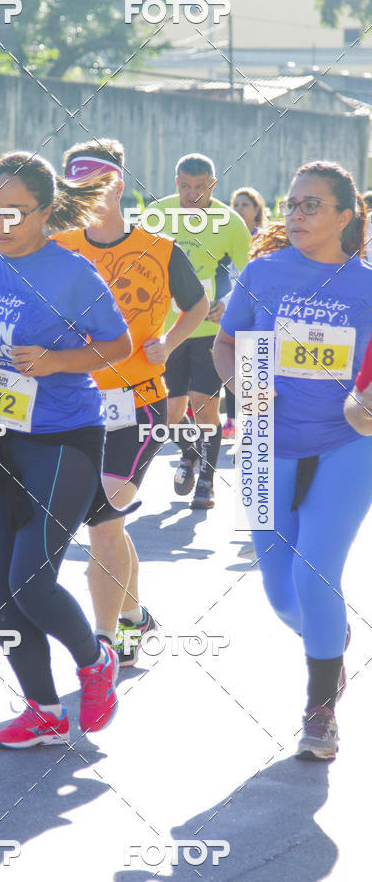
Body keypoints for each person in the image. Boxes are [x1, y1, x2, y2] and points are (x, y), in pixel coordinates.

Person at [0, 151, 133, 748]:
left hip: (62, 439)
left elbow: (119, 346)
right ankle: (44, 712)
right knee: (1, 590)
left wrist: (57, 361)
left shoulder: (72, 273)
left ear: (45, 212)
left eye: (15, 211)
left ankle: (95, 660)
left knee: (31, 582)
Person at [213, 161, 372, 761]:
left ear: (344, 215)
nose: (297, 215)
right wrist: (242, 385)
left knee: (314, 574)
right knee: (283, 596)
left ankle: (319, 711)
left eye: (312, 205)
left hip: (347, 443)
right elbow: (226, 343)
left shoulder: (367, 286)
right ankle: (331, 639)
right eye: (292, 204)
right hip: (263, 440)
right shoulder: (263, 272)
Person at [53, 139, 208, 665]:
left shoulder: (159, 248)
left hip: (138, 403)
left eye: (95, 184)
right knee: (109, 525)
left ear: (119, 185)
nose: (85, 194)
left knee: (103, 519)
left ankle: (101, 647)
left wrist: (170, 341)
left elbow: (197, 303)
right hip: (73, 404)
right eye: (76, 186)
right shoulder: (58, 247)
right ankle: (135, 618)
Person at [146, 154, 251, 508]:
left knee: (205, 407)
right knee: (169, 415)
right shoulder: (156, 216)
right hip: (167, 332)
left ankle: (206, 481)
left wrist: (230, 302)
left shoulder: (230, 223)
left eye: (201, 188)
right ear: (176, 183)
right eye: (185, 186)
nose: (192, 195)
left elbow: (252, 275)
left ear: (213, 185)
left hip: (210, 330)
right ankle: (191, 451)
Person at [222, 187, 269, 439]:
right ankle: (231, 419)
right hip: (230, 307)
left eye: (245, 205)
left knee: (253, 366)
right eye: (236, 204)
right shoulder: (226, 237)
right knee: (230, 360)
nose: (239, 209)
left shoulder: (265, 239)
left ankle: (255, 421)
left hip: (257, 311)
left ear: (257, 209)